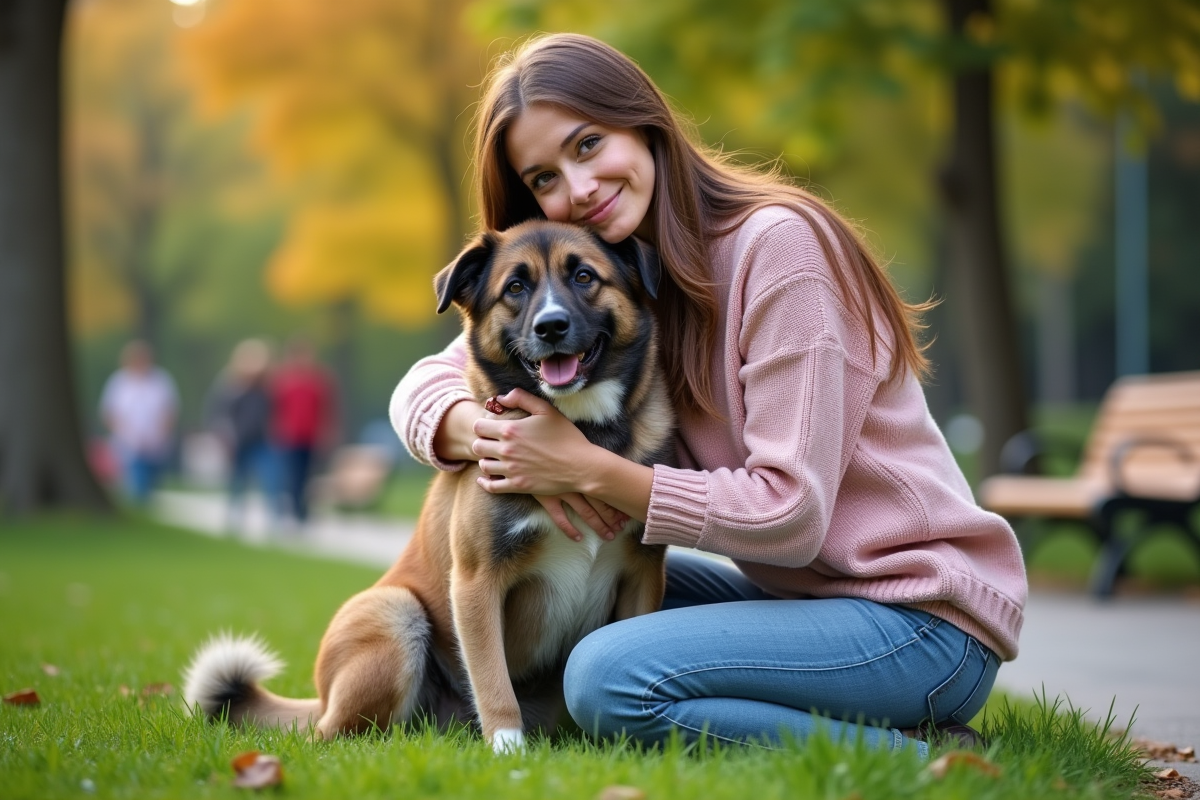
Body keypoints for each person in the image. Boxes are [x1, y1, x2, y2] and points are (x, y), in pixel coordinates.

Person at [390, 33, 1027, 756]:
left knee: (604, 674)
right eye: (543, 178)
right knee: (596, 592)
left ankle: (921, 756)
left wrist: (589, 469)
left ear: (645, 123)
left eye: (589, 144)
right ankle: (868, 720)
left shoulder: (778, 252)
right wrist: (487, 433)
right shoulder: (607, 281)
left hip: (917, 617)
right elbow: (429, 380)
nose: (578, 188)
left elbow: (792, 516)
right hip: (802, 603)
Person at [206, 338, 276, 529]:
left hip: (263, 440)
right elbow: (218, 414)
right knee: (237, 482)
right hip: (237, 441)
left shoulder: (267, 387)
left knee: (270, 481)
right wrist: (223, 438)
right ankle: (234, 519)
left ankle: (274, 522)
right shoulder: (230, 386)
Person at [99, 339, 179, 505]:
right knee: (137, 479)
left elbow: (169, 410)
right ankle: (140, 504)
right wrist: (126, 433)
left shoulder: (160, 380)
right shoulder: (119, 382)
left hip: (155, 442)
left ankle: (145, 503)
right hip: (129, 443)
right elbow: (109, 413)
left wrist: (161, 432)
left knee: (152, 479)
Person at [270, 337, 337, 525]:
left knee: (307, 474)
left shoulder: (318, 380)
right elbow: (275, 408)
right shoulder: (283, 380)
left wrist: (327, 432)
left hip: (310, 434)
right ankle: (294, 509)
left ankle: (303, 510)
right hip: (289, 435)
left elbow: (326, 408)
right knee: (292, 473)